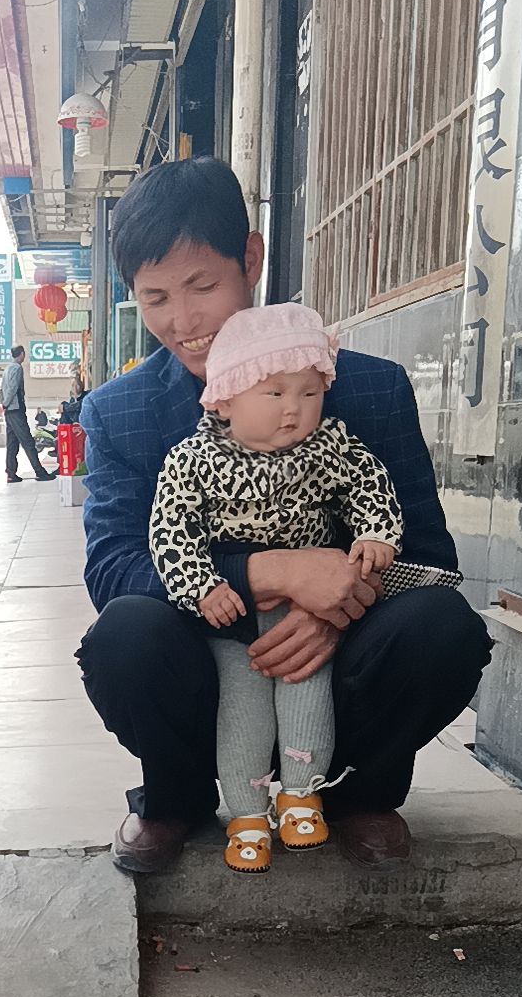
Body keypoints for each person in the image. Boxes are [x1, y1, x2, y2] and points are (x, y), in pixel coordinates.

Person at [77, 156, 492, 875]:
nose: (183, 321)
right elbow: (114, 570)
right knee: (124, 634)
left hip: (340, 667)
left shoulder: (370, 389)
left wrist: (337, 608)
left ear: (251, 259)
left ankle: (356, 794)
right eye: (155, 298)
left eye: (202, 286)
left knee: (443, 627)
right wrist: (271, 574)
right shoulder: (120, 413)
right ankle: (176, 798)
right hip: (210, 660)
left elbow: (429, 556)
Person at [149, 303, 402, 874]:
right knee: (243, 708)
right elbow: (170, 529)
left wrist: (375, 534)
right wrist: (200, 585)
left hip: (307, 609)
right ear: (224, 399)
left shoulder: (329, 447)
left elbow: (370, 485)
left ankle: (301, 796)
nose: (294, 409)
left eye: (309, 393)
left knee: (306, 692)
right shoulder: (194, 460)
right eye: (274, 393)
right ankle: (245, 814)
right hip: (236, 613)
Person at [0, 345, 56, 483]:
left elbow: (1, 390)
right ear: (21, 354)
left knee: (12, 443)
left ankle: (11, 473)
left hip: (9, 411)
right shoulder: (17, 368)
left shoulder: (7, 369)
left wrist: (3, 404)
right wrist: (6, 403)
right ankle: (39, 472)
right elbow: (13, 388)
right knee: (28, 441)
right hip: (16, 409)